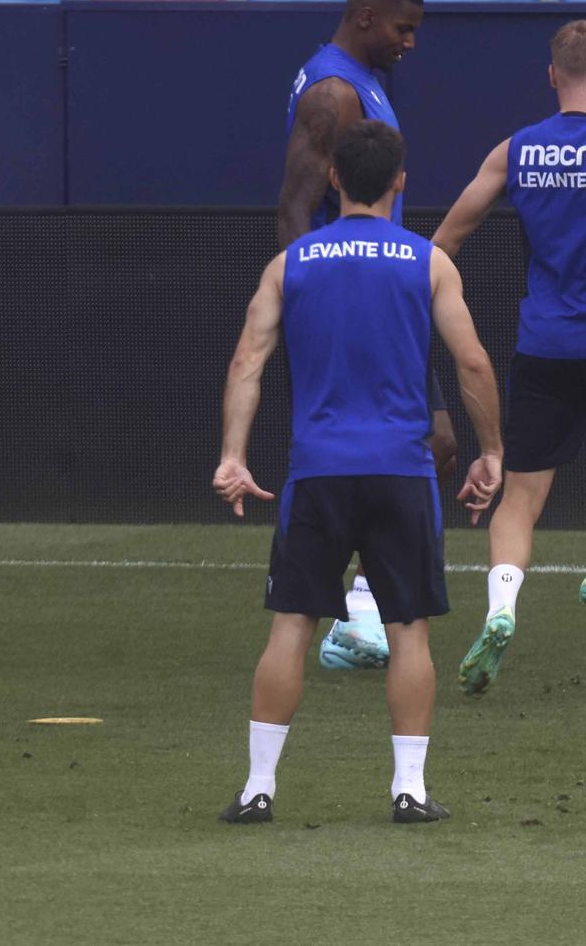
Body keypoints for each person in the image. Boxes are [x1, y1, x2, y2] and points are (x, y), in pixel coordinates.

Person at [214, 120, 504, 825]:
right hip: (401, 473)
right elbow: (470, 362)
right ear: (401, 181)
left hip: (318, 472)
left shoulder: (291, 264)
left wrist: (232, 455)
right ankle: (408, 789)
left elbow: (247, 360)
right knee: (408, 629)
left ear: (334, 179)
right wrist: (492, 449)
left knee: (291, 626)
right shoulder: (426, 261)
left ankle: (258, 789)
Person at [430, 20, 586, 696]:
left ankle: (502, 608)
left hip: (544, 341)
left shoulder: (515, 151)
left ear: (551, 77)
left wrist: (416, 300)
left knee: (522, 491)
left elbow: (444, 240)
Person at [277, 0, 456, 673]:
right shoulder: (333, 91)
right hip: (354, 303)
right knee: (415, 445)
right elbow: (294, 206)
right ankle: (352, 616)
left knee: (434, 443)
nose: (410, 42)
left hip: (379, 294)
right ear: (363, 17)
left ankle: (358, 613)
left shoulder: (359, 82)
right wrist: (312, 303)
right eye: (401, 28)